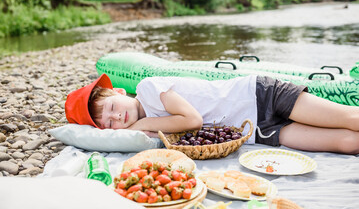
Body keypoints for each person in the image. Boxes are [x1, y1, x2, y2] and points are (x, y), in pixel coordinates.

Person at [65, 74, 359, 155]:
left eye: (113, 109)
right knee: (347, 143)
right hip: (255, 132)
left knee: (350, 117)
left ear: (118, 93)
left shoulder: (148, 89)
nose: (117, 119)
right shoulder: (144, 134)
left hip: (259, 96)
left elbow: (191, 120)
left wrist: (143, 123)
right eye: (108, 124)